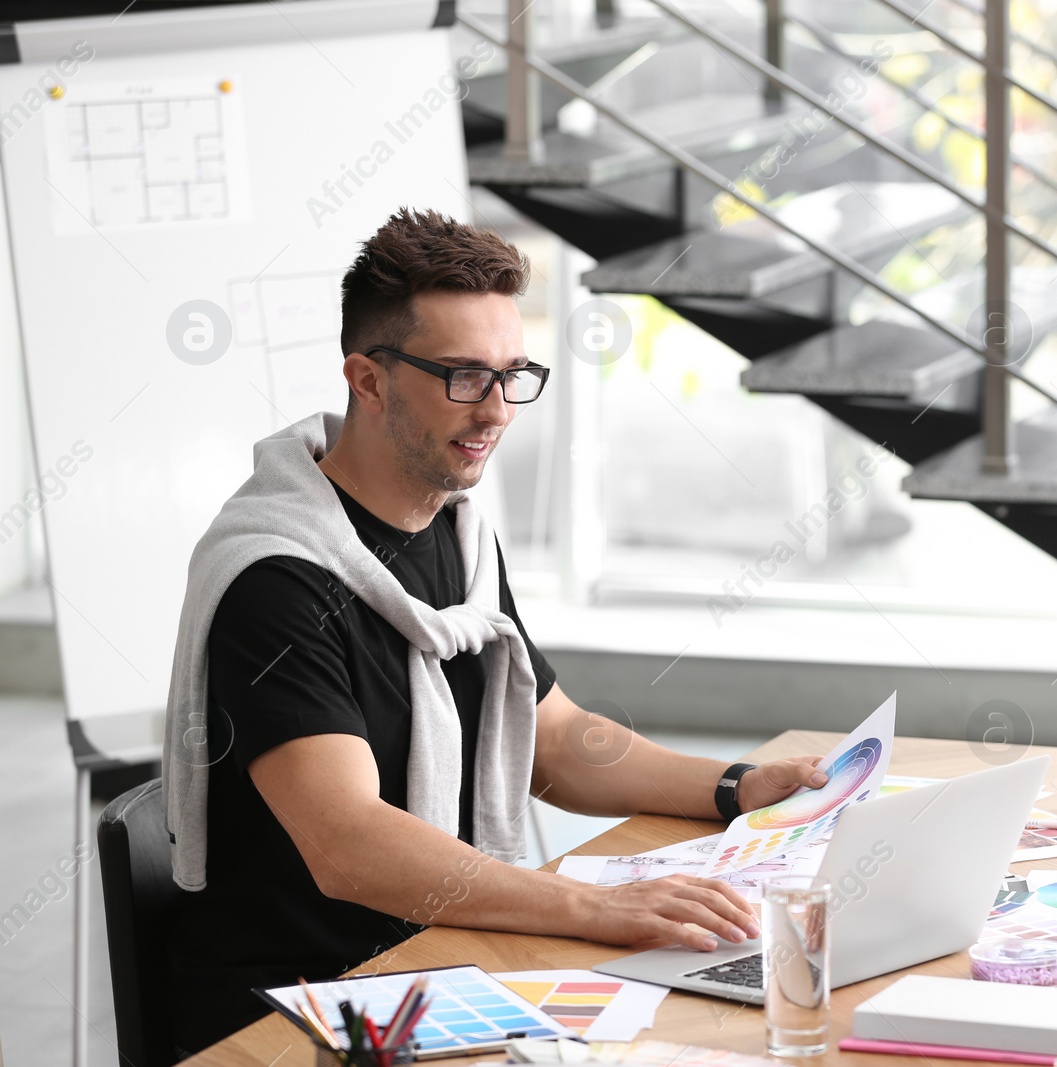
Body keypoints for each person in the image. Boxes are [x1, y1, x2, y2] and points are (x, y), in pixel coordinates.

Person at [162, 208, 826, 1056]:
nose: (500, 410)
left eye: (514, 374)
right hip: (302, 1007)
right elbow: (348, 843)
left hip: (436, 958)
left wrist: (737, 786)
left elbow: (550, 737)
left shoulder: (456, 532)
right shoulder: (276, 580)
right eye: (465, 377)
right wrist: (595, 907)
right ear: (367, 380)